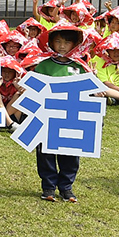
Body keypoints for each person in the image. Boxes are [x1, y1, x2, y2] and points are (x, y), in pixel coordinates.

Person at [34, 25, 91, 202]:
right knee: (46, 152)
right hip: (48, 117)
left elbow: (86, 92)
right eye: (58, 41)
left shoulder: (80, 67)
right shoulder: (43, 65)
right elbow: (35, 89)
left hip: (70, 117)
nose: (62, 46)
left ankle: (66, 187)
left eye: (67, 42)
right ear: (50, 43)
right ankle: (49, 186)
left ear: (74, 44)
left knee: (70, 153)